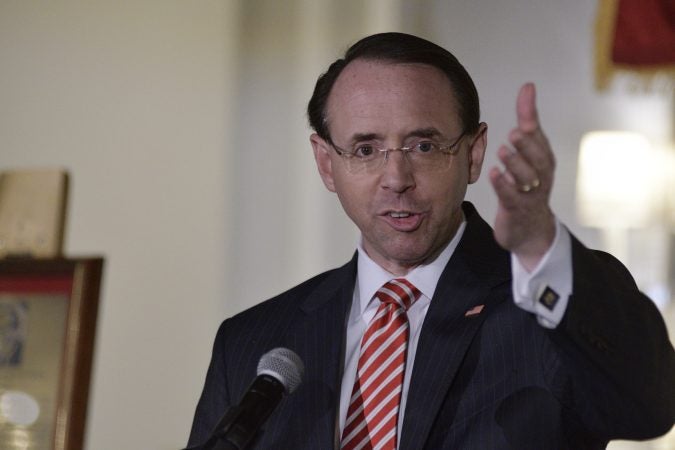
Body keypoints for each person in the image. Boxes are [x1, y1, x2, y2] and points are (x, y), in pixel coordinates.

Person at [187, 32, 675, 449]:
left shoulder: (549, 306)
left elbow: (649, 409)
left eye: (423, 145)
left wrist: (542, 248)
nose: (395, 177)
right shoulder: (252, 342)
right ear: (325, 162)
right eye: (365, 148)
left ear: (473, 153)